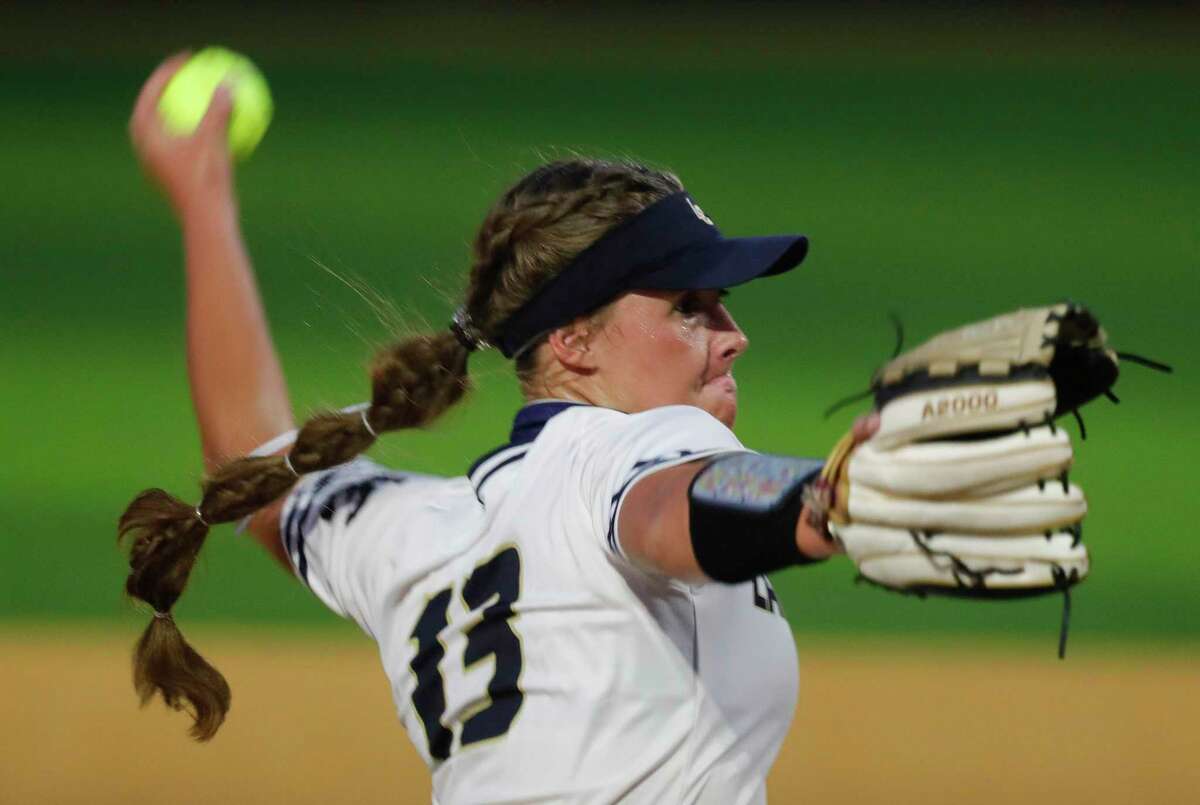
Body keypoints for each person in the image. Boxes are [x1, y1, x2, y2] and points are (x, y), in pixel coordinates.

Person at [121, 54, 878, 804]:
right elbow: (679, 504)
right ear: (572, 340)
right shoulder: (625, 448)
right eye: (689, 306)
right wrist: (820, 492)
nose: (732, 332)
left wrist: (203, 196)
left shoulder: (416, 532)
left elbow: (253, 468)